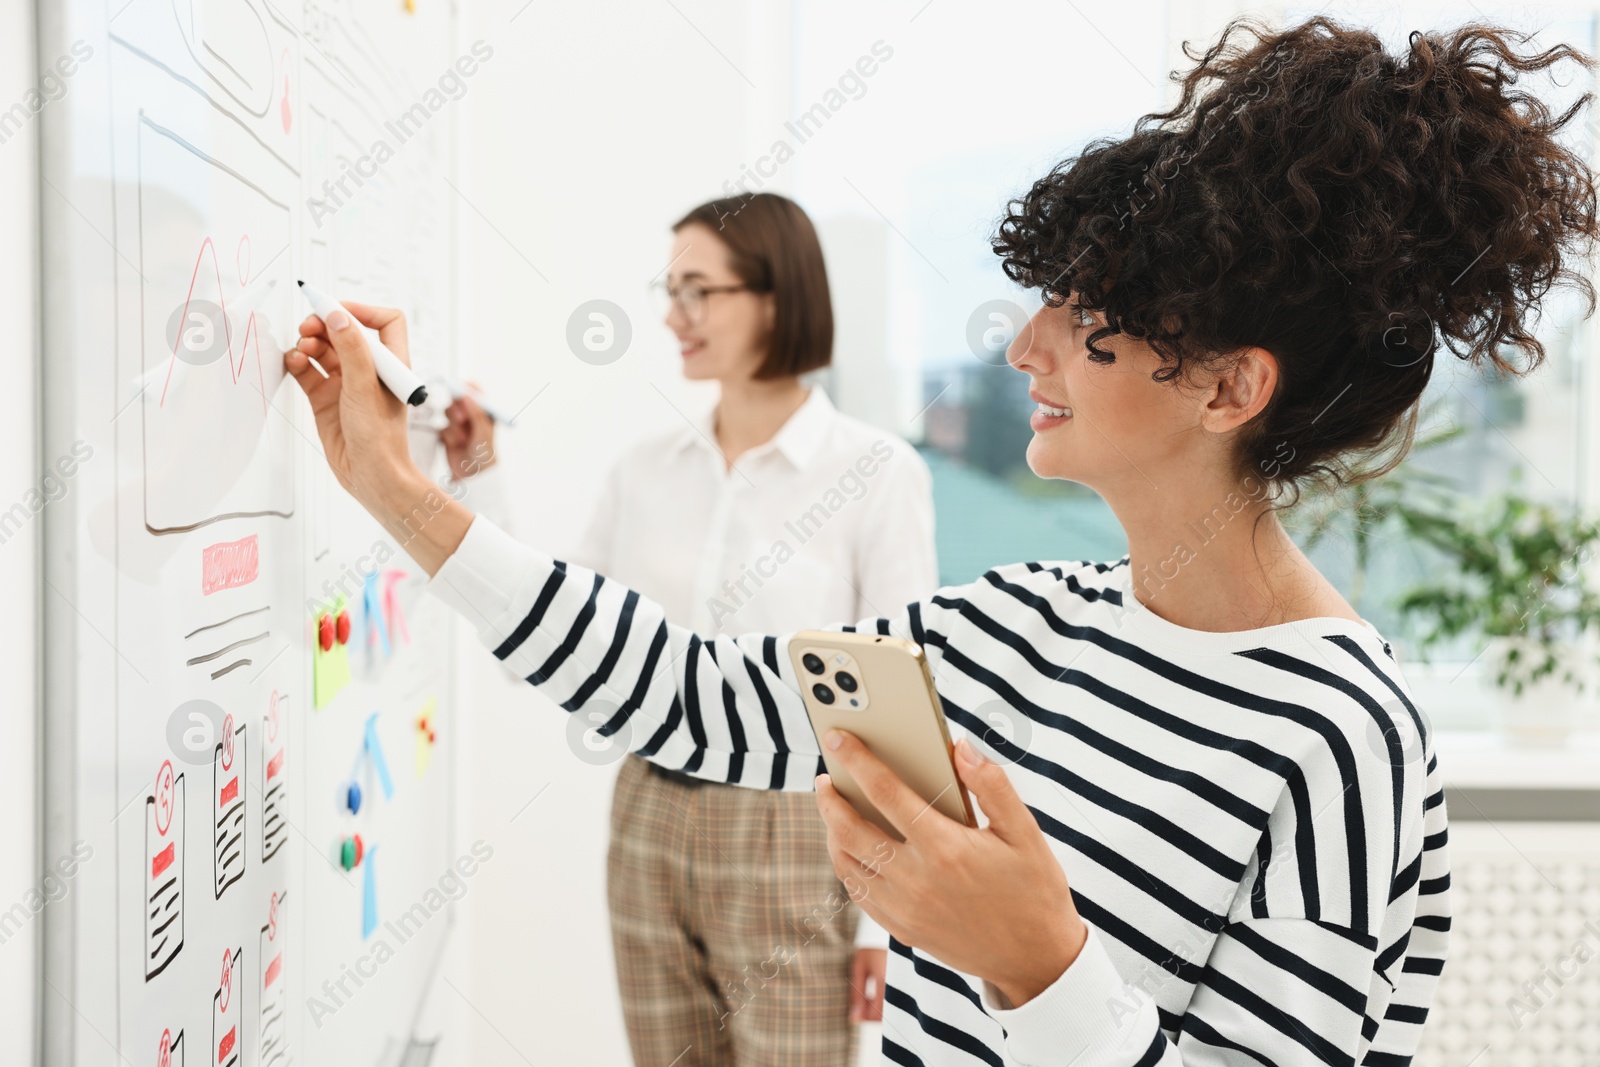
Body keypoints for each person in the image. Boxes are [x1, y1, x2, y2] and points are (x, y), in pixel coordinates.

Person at [285, 16, 1599, 1063]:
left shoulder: (1343, 731)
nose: (1025, 344)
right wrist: (397, 486)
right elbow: (702, 697)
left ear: (1226, 387)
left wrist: (1042, 964)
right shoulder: (1020, 624)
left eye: (1086, 317)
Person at [438, 192, 937, 1065]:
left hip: (798, 826)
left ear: (776, 296)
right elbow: (553, 633)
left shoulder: (875, 472)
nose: (673, 315)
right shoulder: (645, 472)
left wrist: (887, 929)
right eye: (669, 290)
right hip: (648, 809)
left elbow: (899, 714)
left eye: (698, 290)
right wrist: (477, 468)